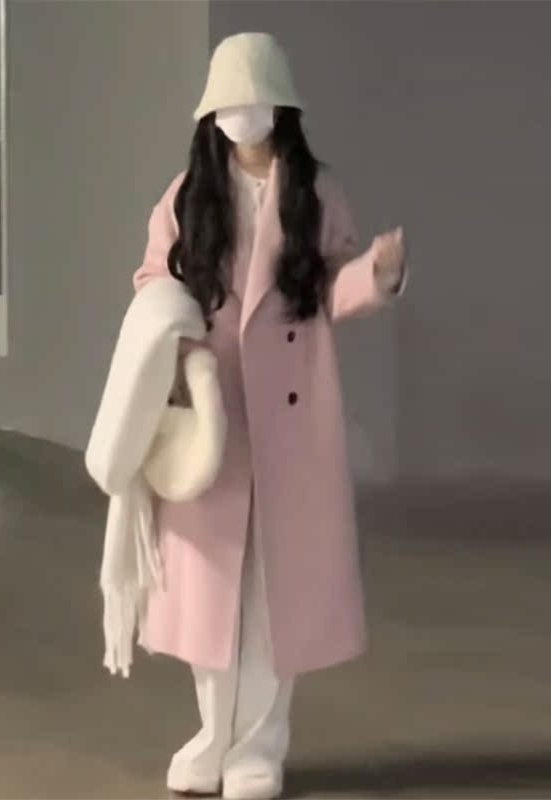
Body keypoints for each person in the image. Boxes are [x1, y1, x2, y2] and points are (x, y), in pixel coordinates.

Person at [131, 32, 408, 800]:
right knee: (209, 590)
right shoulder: (188, 193)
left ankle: (259, 747)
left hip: (290, 414)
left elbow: (329, 285)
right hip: (213, 410)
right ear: (210, 113)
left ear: (280, 105)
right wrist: (175, 345)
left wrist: (376, 275)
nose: (241, 115)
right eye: (228, 103)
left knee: (272, 594)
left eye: (253, 100)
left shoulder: (315, 192)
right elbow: (153, 278)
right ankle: (209, 739)